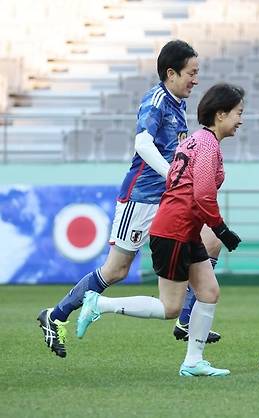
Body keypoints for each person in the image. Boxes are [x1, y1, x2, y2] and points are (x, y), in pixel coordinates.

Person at [37, 40, 222, 358]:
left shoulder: (178, 104)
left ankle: (186, 319)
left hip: (168, 200)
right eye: (191, 73)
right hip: (141, 199)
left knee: (211, 241)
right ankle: (55, 315)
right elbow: (143, 144)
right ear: (171, 73)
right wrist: (172, 174)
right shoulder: (156, 100)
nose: (196, 79)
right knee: (116, 270)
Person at [76, 83, 244, 377]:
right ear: (220, 114)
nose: (241, 120)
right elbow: (203, 194)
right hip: (175, 230)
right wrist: (221, 229)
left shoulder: (195, 140)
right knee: (170, 307)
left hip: (183, 228)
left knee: (208, 291)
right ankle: (100, 304)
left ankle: (193, 362)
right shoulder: (206, 145)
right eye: (238, 113)